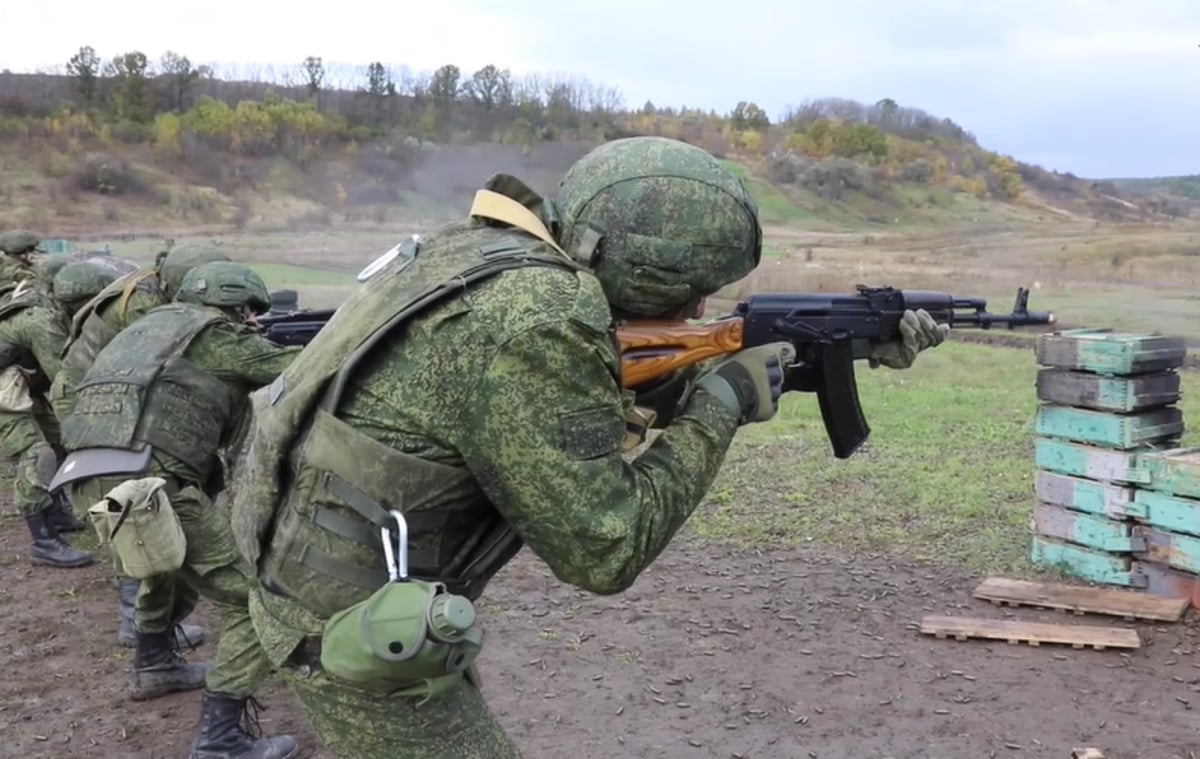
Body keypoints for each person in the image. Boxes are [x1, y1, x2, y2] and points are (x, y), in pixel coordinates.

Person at [228, 136, 950, 759]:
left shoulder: (493, 252)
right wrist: (721, 404)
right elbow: (606, 547)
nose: (702, 310)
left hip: (334, 576)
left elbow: (600, 384)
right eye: (694, 290)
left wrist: (831, 354)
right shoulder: (538, 318)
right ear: (647, 269)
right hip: (347, 619)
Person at [52, 260, 302, 758]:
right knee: (258, 605)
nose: (253, 322)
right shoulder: (215, 336)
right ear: (238, 306)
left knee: (168, 566)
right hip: (147, 484)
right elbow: (301, 372)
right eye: (250, 314)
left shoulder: (150, 326)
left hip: (88, 479)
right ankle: (221, 740)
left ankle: (154, 665)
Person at [48, 242, 231, 651]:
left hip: (105, 392)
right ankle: (136, 618)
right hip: (92, 398)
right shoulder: (144, 304)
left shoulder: (153, 288)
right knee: (131, 500)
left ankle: (147, 615)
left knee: (137, 497)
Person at [0, 261, 119, 569]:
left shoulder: (48, 307)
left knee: (58, 441)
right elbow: (64, 378)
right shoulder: (41, 320)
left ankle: (57, 513)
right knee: (36, 454)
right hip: (7, 390)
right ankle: (44, 542)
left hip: (18, 381)